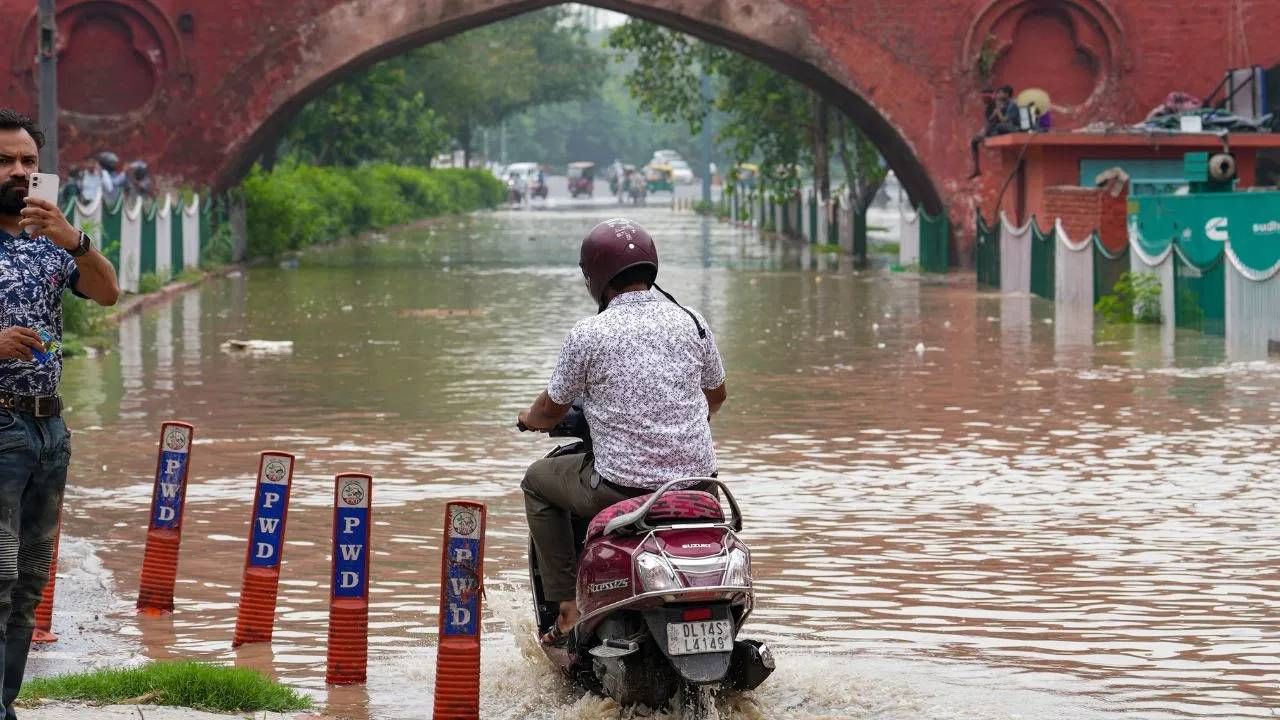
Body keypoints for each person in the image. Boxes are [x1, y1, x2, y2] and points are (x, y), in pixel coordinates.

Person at [518, 218, 727, 645]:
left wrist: (527, 419)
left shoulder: (589, 333)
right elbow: (717, 396)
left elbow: (549, 410)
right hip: (700, 486)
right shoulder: (691, 321)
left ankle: (566, 609)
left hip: (622, 488)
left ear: (595, 277)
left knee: (537, 482)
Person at [0, 108, 119, 719]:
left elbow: (108, 291)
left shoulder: (51, 241)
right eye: (5, 161)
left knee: (27, 584)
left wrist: (74, 238)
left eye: (28, 161)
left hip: (48, 430)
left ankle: (5, 702)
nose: (19, 172)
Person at [969, 85, 1019, 178]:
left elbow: (1004, 120)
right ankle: (976, 169)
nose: (998, 95)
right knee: (974, 141)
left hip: (1010, 128)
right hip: (999, 127)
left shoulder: (1009, 104)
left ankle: (977, 168)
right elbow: (991, 120)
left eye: (1000, 93)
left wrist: (998, 112)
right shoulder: (994, 106)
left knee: (995, 128)